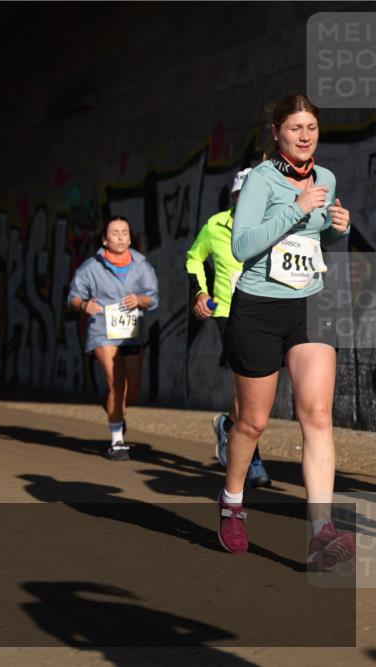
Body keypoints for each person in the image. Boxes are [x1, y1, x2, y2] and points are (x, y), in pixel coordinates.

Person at [219, 93, 353, 569]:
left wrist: (339, 227)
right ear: (276, 131)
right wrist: (295, 208)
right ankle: (233, 501)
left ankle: (322, 531)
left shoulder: (328, 177)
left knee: (316, 415)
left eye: (311, 128)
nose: (304, 136)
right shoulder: (260, 179)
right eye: (295, 128)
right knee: (252, 423)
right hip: (258, 307)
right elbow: (241, 244)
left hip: (310, 304)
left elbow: (321, 239)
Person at [186, 168, 271, 487]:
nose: (248, 200)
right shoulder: (215, 225)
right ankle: (252, 458)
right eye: (242, 195)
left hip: (268, 310)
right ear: (234, 197)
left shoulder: (275, 224)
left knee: (261, 393)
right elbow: (194, 258)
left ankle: (229, 425)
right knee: (246, 383)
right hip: (228, 312)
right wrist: (201, 292)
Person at [67, 216, 159, 461]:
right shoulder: (90, 267)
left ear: (130, 238)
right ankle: (117, 442)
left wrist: (140, 300)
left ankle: (113, 409)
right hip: (103, 331)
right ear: (105, 239)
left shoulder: (142, 265)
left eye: (124, 233)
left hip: (131, 333)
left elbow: (153, 298)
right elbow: (73, 297)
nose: (120, 237)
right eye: (115, 233)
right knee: (116, 384)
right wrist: (84, 304)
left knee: (133, 391)